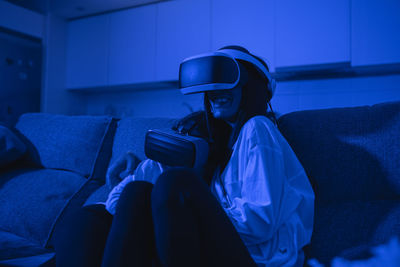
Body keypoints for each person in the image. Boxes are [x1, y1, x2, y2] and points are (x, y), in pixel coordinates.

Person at [55, 46, 315, 267]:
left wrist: (185, 198)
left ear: (251, 86)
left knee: (174, 183)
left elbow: (260, 222)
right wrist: (158, 165)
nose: (216, 92)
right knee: (95, 213)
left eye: (227, 80)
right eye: (210, 87)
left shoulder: (258, 129)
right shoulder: (216, 172)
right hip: (208, 248)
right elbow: (114, 206)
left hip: (261, 259)